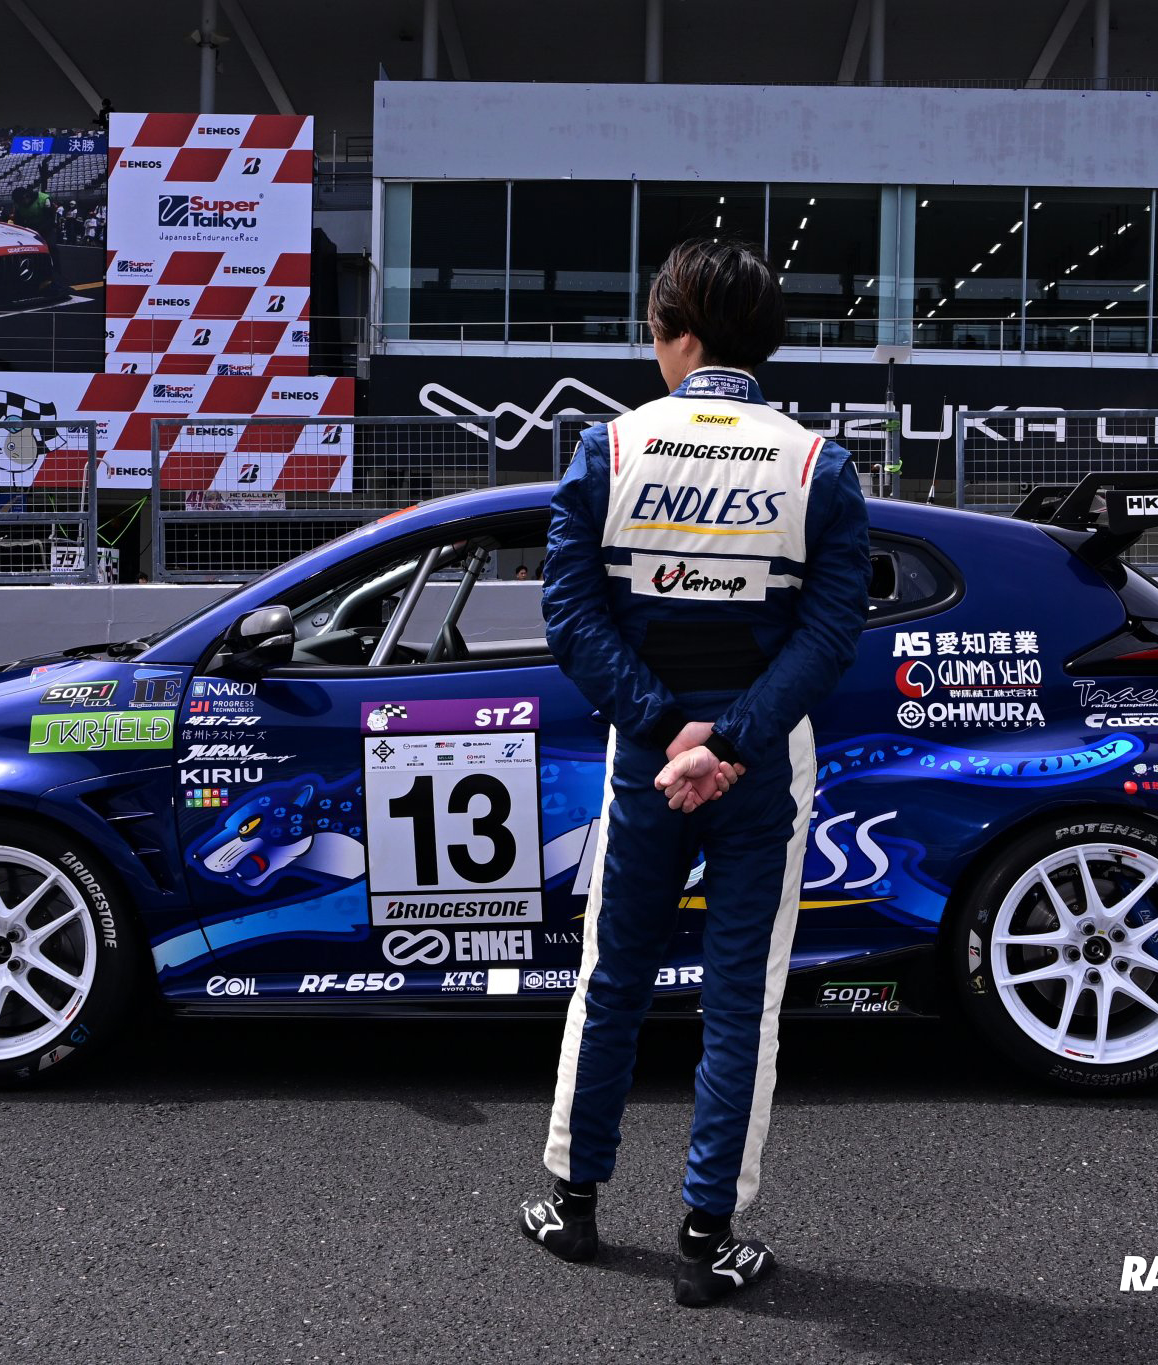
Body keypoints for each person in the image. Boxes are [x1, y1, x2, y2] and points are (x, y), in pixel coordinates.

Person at [520, 238, 869, 1307]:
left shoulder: (607, 448)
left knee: (612, 979)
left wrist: (669, 731)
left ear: (675, 334)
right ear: (763, 341)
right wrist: (729, 742)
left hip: (647, 759)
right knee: (741, 1000)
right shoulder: (819, 465)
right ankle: (706, 1240)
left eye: (652, 326)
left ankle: (572, 1204)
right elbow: (829, 636)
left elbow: (569, 616)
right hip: (759, 767)